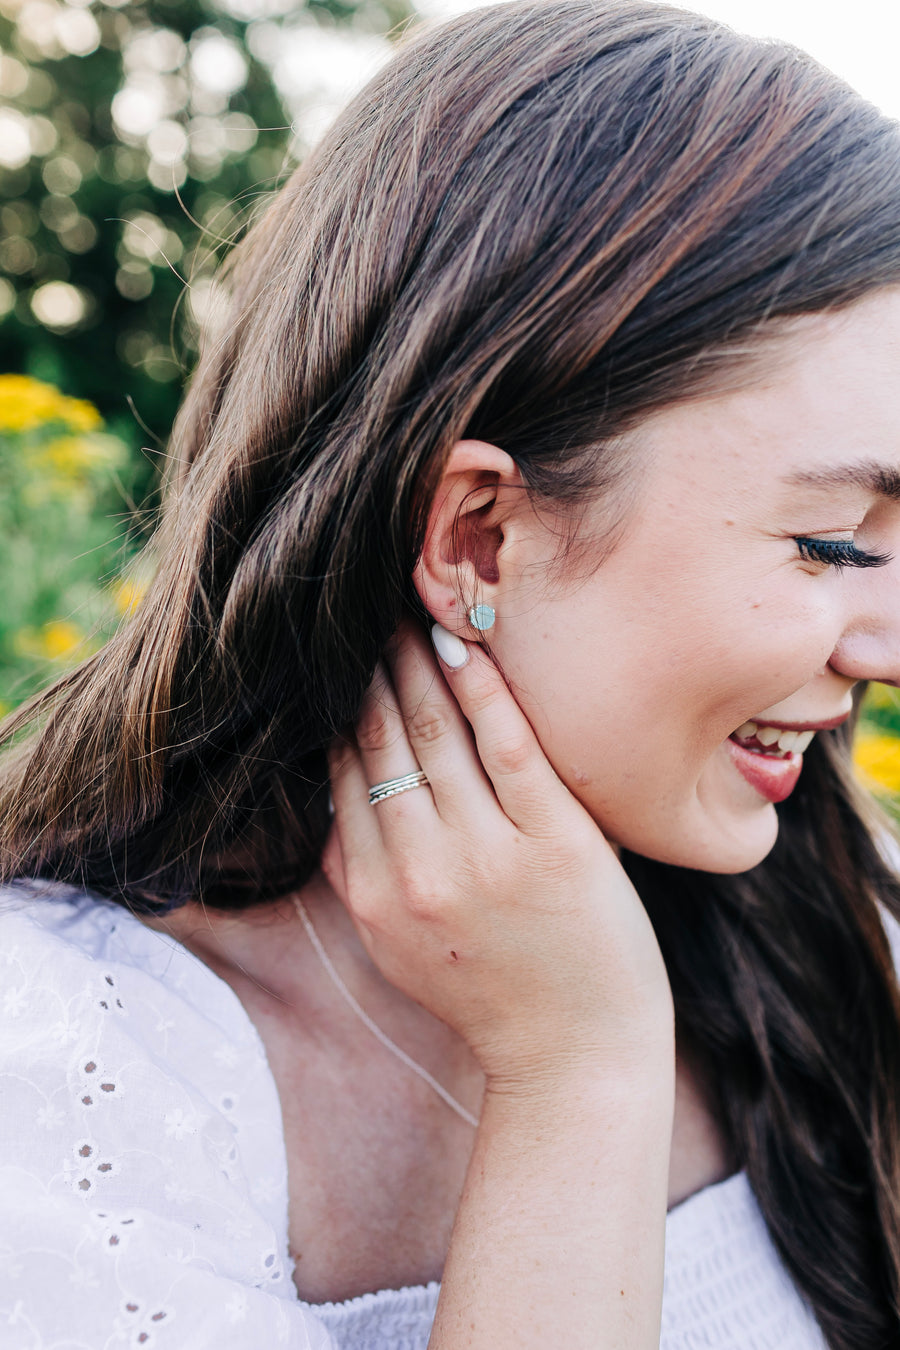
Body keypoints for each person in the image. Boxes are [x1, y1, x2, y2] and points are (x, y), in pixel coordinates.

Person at [2, 0, 900, 1345]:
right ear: (478, 531)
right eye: (833, 540)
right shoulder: (67, 1077)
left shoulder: (832, 918)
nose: (884, 641)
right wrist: (579, 1076)